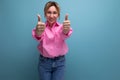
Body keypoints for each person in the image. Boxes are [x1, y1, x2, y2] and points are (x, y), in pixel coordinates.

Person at [32, 1, 72, 80]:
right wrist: (38, 33)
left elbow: (64, 34)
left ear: (58, 14)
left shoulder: (62, 27)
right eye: (49, 12)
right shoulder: (41, 27)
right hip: (44, 63)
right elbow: (38, 36)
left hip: (60, 63)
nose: (51, 15)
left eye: (54, 13)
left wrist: (66, 31)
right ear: (45, 13)